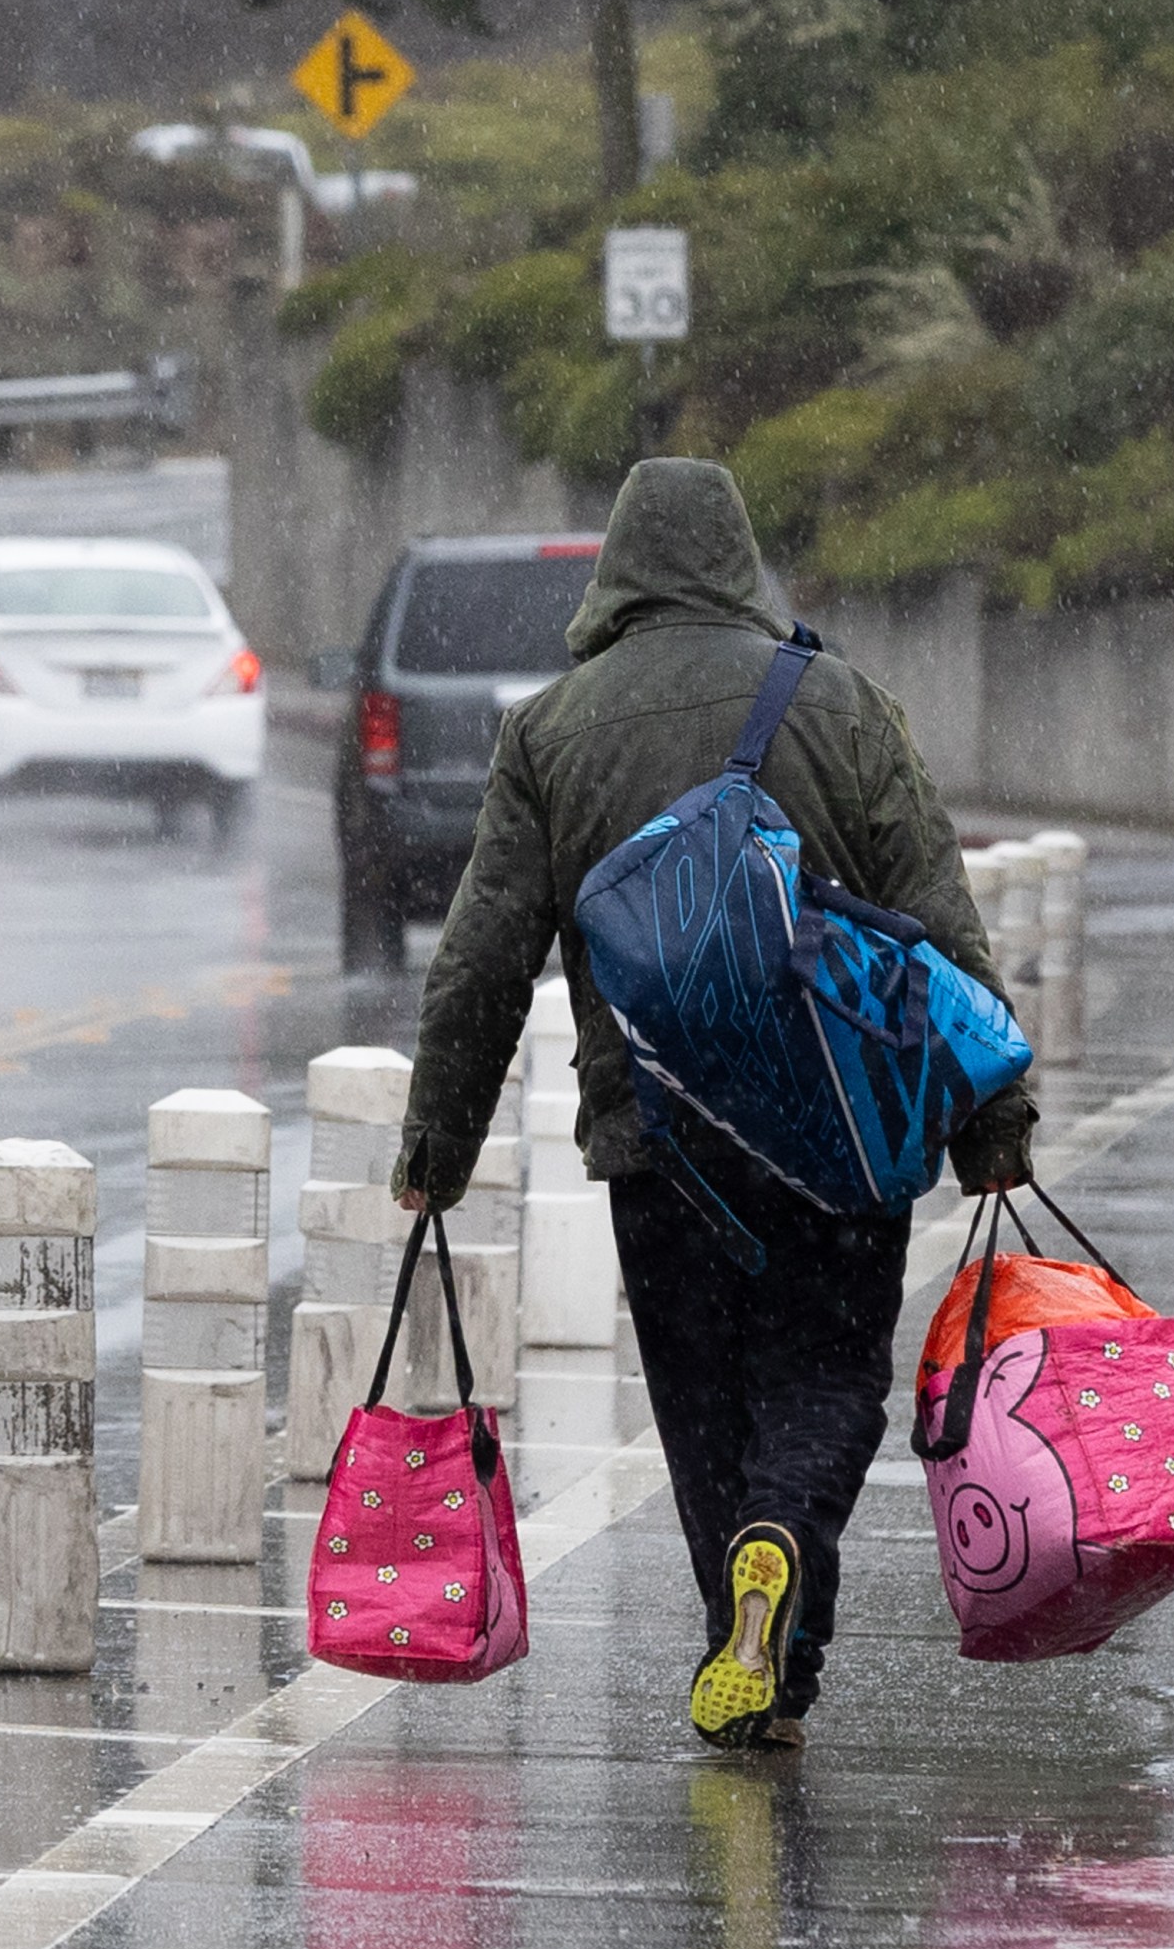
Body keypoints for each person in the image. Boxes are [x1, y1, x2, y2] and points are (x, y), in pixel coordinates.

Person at [389, 457, 1036, 1754]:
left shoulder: (550, 730)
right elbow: (937, 914)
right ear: (741, 560)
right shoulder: (842, 701)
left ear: (620, 571)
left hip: (658, 1130)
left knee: (700, 1392)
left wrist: (437, 1148)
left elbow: (482, 956)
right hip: (842, 1121)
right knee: (828, 1371)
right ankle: (780, 1574)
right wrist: (990, 1122)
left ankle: (748, 1652)